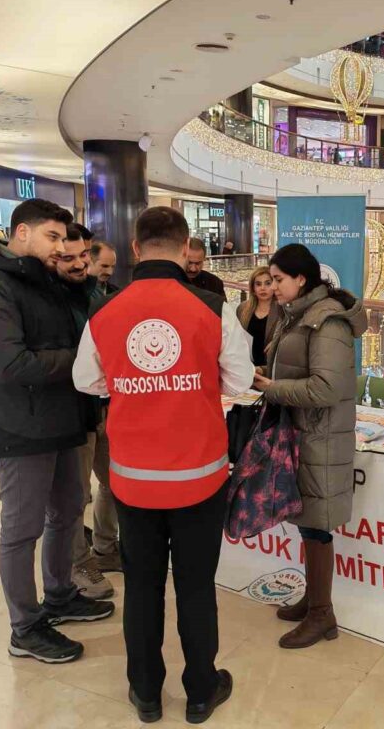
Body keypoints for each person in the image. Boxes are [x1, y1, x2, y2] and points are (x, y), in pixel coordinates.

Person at [73, 206, 254, 724]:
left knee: (144, 586)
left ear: (134, 248)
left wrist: (130, 387)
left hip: (132, 480)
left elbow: (86, 381)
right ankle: (200, 691)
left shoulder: (105, 312)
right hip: (199, 476)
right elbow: (240, 384)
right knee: (196, 586)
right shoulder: (212, 306)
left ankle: (146, 692)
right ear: (185, 247)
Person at [0, 199, 114, 666]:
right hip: (15, 424)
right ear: (20, 232)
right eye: (52, 237)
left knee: (67, 510)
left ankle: (61, 594)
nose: (61, 248)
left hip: (60, 417)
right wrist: (83, 362)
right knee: (21, 527)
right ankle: (24, 627)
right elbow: (9, 364)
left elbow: (77, 325)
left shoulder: (40, 279)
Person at [252, 244, 368, 649]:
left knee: (317, 525)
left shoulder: (326, 322)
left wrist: (273, 388)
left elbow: (329, 386)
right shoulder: (295, 316)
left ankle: (323, 615)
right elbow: (295, 369)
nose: (272, 286)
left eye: (279, 279)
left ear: (301, 279)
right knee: (307, 522)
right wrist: (265, 375)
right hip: (299, 434)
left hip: (320, 437)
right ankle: (314, 599)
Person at [55, 224, 118, 601]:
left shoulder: (97, 296)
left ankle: (106, 547)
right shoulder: (56, 300)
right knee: (74, 495)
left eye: (84, 256)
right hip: (72, 415)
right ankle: (78, 561)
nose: (81, 264)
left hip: (101, 409)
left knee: (114, 481)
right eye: (70, 257)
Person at [237, 266, 280, 370]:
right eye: (258, 284)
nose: (262, 288)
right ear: (253, 288)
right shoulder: (242, 308)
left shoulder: (282, 310)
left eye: (268, 283)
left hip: (270, 367)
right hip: (247, 367)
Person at [186, 237, 227, 302]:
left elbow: (223, 310)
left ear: (204, 260)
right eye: (189, 263)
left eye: (198, 263)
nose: (193, 269)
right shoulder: (169, 282)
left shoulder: (215, 283)